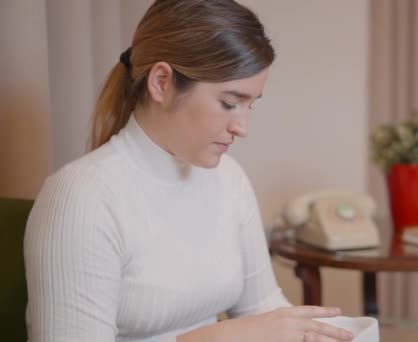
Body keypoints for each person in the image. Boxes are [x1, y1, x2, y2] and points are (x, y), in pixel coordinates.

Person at [23, 1, 355, 341]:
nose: (243, 127)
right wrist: (219, 338)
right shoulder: (81, 198)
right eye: (229, 103)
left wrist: (314, 333)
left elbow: (263, 308)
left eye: (249, 105)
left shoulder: (229, 178)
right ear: (162, 82)